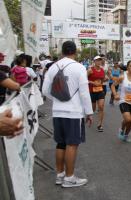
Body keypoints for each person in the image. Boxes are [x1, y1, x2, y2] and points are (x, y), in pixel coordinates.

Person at [42, 41, 93, 188]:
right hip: (74, 112)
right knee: (72, 143)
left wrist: (58, 99)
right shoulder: (79, 68)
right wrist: (89, 112)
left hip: (57, 111)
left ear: (62, 51)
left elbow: (45, 91)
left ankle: (60, 175)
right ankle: (70, 178)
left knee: (61, 143)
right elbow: (84, 93)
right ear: (75, 52)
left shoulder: (52, 67)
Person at [88, 56, 106, 132]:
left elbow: (102, 80)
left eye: (100, 61)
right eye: (97, 61)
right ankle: (89, 116)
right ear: (94, 61)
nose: (99, 62)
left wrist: (105, 80)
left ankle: (100, 125)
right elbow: (84, 79)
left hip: (100, 90)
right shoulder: (90, 70)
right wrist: (93, 82)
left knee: (101, 107)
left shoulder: (102, 70)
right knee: (93, 108)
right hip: (92, 91)